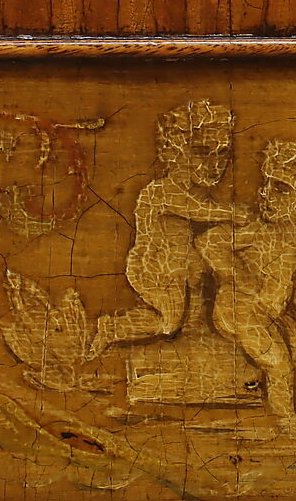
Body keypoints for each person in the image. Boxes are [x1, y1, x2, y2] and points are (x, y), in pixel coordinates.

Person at [199, 140, 296, 440]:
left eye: (281, 188)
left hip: (271, 314)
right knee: (278, 361)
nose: (265, 193)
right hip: (239, 310)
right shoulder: (258, 230)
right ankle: (286, 419)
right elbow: (209, 242)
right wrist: (241, 277)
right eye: (267, 184)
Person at [101, 99, 247, 345]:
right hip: (152, 267)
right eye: (202, 151)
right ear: (173, 151)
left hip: (176, 267)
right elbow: (195, 209)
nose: (215, 164)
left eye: (223, 153)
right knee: (169, 322)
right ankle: (113, 328)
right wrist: (231, 212)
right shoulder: (159, 191)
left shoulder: (201, 195)